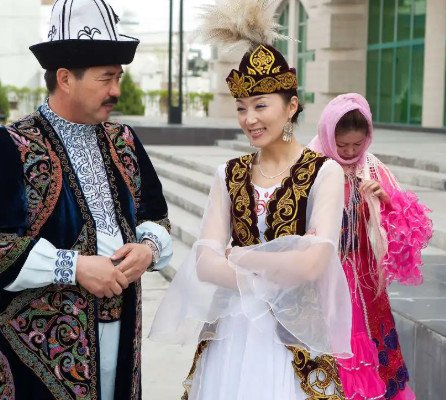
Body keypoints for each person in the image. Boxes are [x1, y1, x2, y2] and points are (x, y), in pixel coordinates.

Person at [149, 1, 352, 399]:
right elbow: (205, 260)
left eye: (261, 106)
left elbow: (314, 264)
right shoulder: (229, 173)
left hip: (293, 335)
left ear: (291, 106)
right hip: (232, 333)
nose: (249, 119)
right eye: (242, 108)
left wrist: (241, 257)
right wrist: (275, 268)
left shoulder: (324, 172)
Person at [0, 1, 173, 399]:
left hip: (122, 333)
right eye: (106, 78)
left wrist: (147, 249)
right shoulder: (13, 146)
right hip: (41, 354)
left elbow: (157, 219)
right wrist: (74, 267)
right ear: (64, 78)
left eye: (119, 77)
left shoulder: (124, 141)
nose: (116, 91)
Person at [308, 93, 432, 400]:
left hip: (364, 279)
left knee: (371, 347)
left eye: (357, 144)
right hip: (322, 275)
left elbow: (410, 226)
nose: (351, 152)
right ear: (328, 135)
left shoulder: (372, 168)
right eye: (342, 145)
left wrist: (385, 200)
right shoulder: (310, 166)